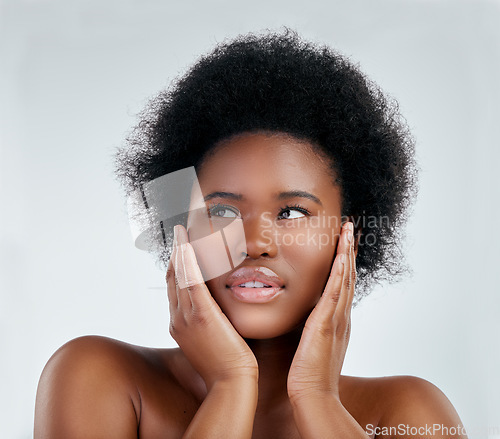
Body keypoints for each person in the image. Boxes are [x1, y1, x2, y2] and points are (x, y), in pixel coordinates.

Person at [34, 29, 468, 438]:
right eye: (221, 210)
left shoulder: (410, 411)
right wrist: (230, 384)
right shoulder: (99, 376)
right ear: (181, 228)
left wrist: (317, 395)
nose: (255, 243)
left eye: (293, 212)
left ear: (348, 235)